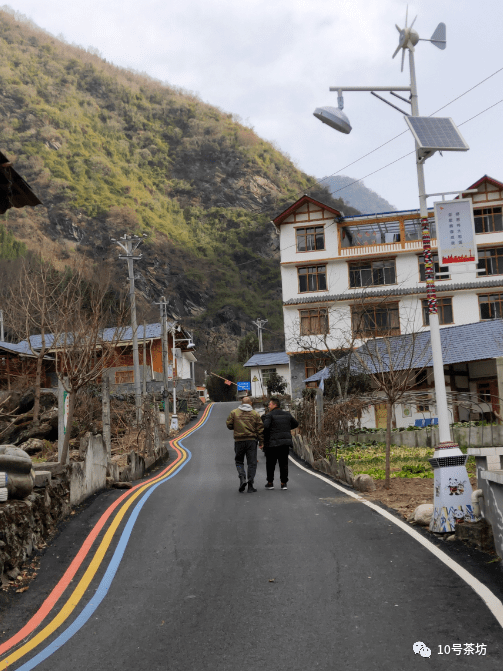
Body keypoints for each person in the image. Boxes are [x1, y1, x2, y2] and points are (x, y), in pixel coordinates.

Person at [226, 396, 264, 493]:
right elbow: (260, 429)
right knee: (252, 463)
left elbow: (229, 425)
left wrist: (236, 427)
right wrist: (261, 441)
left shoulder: (234, 412)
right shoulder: (255, 414)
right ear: (250, 403)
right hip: (251, 441)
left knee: (239, 461)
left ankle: (242, 478)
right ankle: (250, 485)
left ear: (241, 403)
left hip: (239, 441)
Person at [262, 397, 298, 491]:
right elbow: (295, 424)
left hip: (272, 444)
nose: (269, 406)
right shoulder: (287, 414)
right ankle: (283, 483)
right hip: (284, 444)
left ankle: (270, 483)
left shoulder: (269, 415)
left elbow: (265, 426)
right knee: (284, 464)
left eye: (270, 404)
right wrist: (286, 427)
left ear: (275, 405)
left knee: (270, 464)